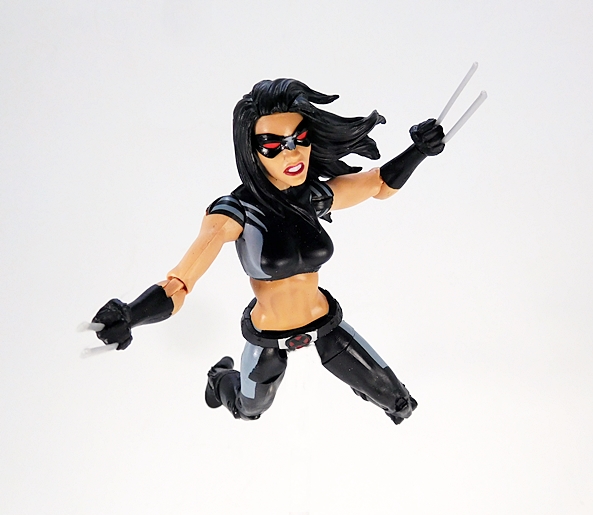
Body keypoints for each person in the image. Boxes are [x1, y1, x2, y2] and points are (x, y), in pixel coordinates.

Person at [92, 78, 444, 425]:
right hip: (267, 338)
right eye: (273, 145)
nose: (292, 153)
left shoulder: (313, 197)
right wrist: (132, 315)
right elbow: (180, 283)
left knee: (401, 403)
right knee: (249, 410)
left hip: (325, 323)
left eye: (300, 139)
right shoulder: (235, 212)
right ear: (251, 150)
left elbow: (378, 184)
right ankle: (219, 379)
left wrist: (419, 150)